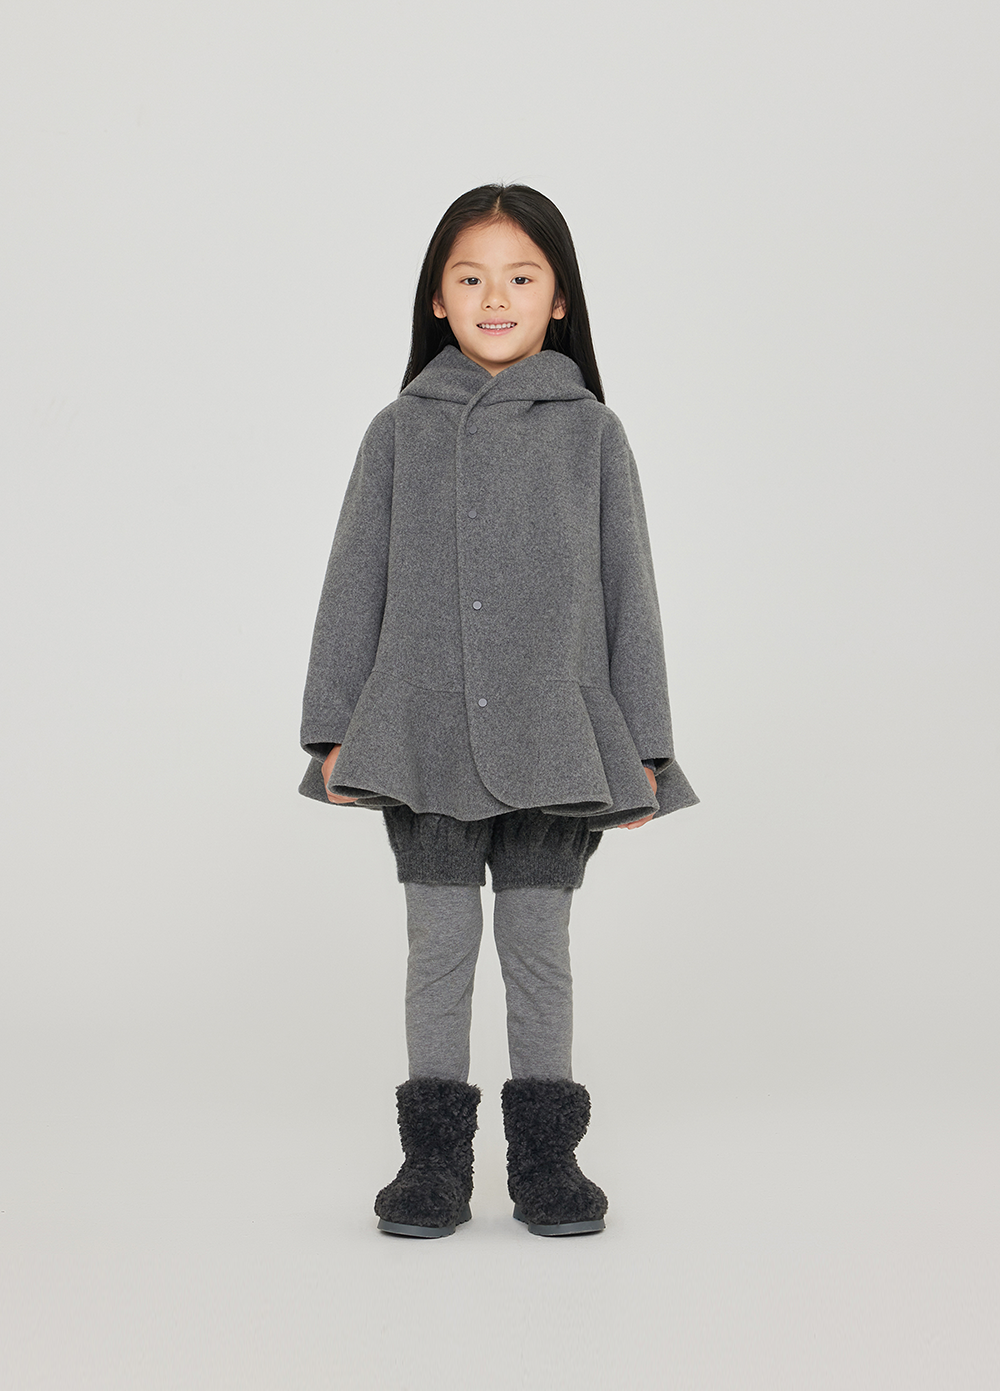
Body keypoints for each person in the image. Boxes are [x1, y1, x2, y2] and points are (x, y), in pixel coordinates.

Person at [298, 182, 699, 1239]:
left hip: (558, 740)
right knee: (436, 949)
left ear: (559, 298)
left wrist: (648, 748)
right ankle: (431, 1162)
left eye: (520, 277)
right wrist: (333, 727)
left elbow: (630, 591)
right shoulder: (397, 432)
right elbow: (352, 582)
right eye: (470, 277)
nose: (494, 297)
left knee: (537, 947)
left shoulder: (592, 434)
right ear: (436, 296)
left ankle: (545, 1160)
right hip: (423, 736)